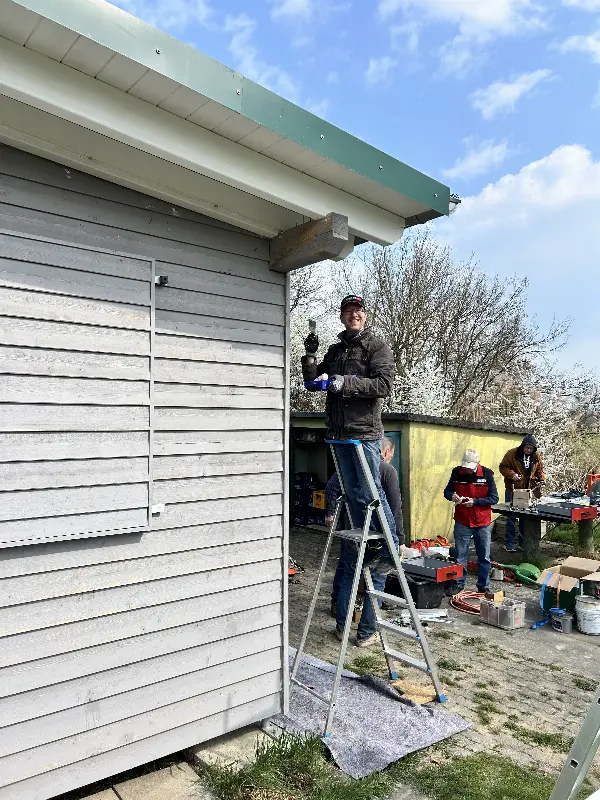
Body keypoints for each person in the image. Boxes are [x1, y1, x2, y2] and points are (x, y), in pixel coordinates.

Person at [302, 294, 397, 647]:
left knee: (371, 488)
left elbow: (384, 386)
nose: (353, 315)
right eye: (347, 311)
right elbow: (315, 380)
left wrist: (346, 384)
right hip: (338, 434)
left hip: (364, 434)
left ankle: (388, 544)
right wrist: (311, 359)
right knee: (353, 491)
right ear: (342, 316)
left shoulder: (376, 346)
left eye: (358, 311)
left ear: (365, 315)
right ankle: (370, 541)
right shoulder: (336, 349)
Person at [325, 437, 405, 618]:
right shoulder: (387, 470)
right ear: (384, 452)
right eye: (390, 454)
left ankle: (340, 623)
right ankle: (366, 633)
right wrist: (399, 539)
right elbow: (394, 508)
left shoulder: (350, 469)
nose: (390, 458)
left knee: (348, 575)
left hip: (351, 530)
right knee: (377, 579)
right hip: (376, 535)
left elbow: (331, 487)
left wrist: (330, 512)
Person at [443, 449, 499, 596]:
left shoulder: (487, 474)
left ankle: (483, 586)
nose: (466, 470)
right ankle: (458, 584)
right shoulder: (456, 472)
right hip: (462, 521)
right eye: (465, 466)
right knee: (460, 555)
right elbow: (447, 491)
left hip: (482, 522)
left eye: (469, 467)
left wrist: (475, 502)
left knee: (484, 557)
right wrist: (452, 496)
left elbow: (494, 498)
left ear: (477, 464)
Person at [499, 434, 545, 552]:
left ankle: (522, 543)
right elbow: (502, 467)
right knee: (511, 517)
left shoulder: (536, 456)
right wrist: (512, 475)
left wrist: (542, 480)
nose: (528, 450)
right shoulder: (512, 454)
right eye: (527, 448)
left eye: (531, 448)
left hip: (528, 490)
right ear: (523, 446)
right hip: (513, 489)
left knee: (525, 517)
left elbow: (540, 470)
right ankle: (508, 543)